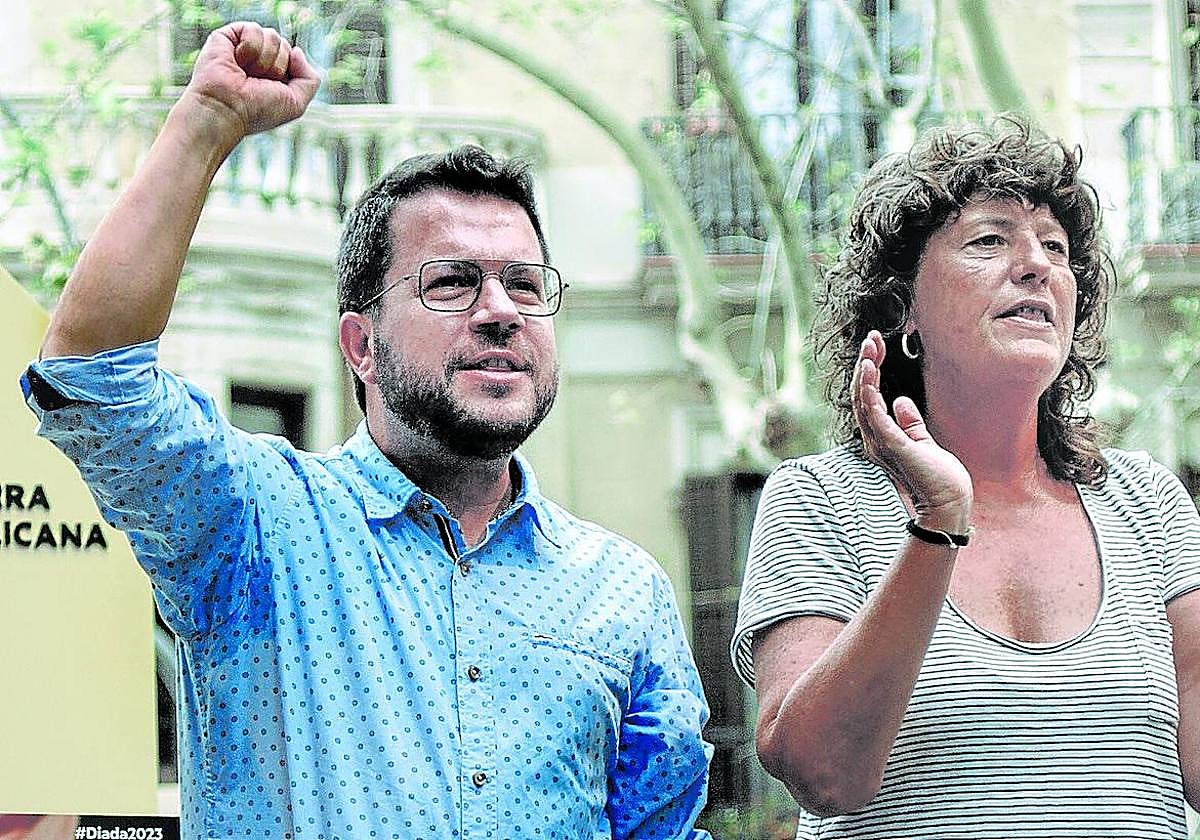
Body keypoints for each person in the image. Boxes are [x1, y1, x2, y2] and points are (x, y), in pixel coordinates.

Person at [21, 22, 711, 839]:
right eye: (453, 282)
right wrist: (206, 120)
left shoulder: (623, 590)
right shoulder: (250, 528)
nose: (500, 310)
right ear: (362, 346)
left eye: (525, 284)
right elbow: (92, 376)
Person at [731, 119, 1200, 839]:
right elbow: (822, 773)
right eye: (991, 239)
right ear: (904, 307)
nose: (1036, 264)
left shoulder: (1149, 501)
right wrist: (937, 524)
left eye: (1056, 247)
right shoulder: (817, 500)